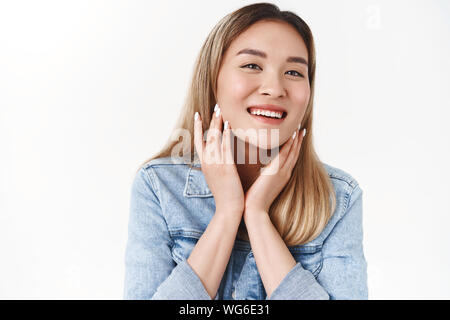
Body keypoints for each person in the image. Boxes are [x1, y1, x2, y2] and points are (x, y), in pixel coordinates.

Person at [123, 2, 368, 300]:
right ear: (213, 80)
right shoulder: (158, 187)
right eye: (252, 65)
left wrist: (257, 215)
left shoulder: (339, 198)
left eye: (293, 72)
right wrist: (227, 212)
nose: (275, 88)